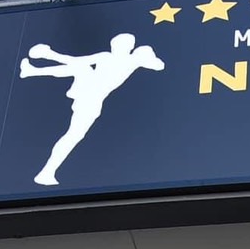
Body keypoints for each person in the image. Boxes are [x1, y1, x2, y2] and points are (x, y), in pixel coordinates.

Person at [20, 33, 165, 186]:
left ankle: (47, 172)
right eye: (115, 45)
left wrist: (49, 54)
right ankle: (32, 71)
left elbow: (159, 65)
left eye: (120, 45)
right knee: (82, 70)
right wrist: (49, 54)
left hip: (91, 101)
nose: (115, 47)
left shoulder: (131, 60)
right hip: (86, 93)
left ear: (129, 47)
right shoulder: (107, 57)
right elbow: (76, 61)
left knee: (73, 136)